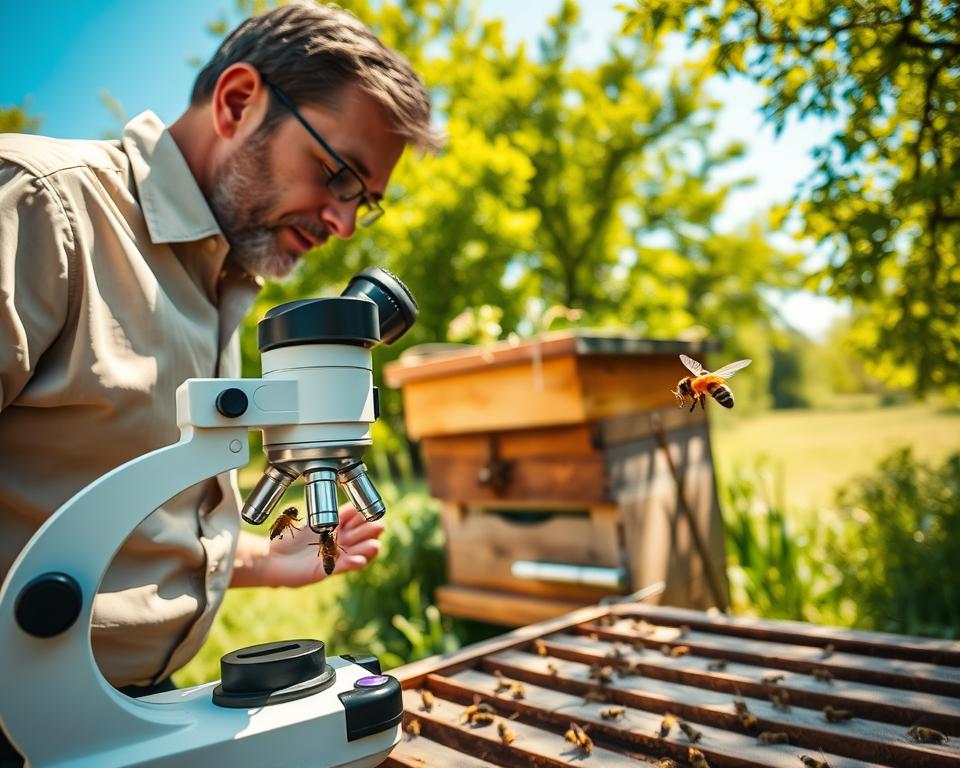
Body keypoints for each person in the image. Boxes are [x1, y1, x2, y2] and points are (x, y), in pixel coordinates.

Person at [0, 0, 442, 742]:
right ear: (239, 102)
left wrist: (264, 559)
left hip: (133, 710)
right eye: (338, 174)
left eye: (363, 202)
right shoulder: (44, 206)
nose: (340, 223)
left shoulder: (225, 281)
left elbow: (104, 521)